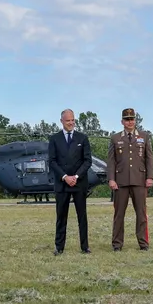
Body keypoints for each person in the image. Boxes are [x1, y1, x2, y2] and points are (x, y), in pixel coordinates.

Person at [107, 108, 153, 251]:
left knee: (141, 214)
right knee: (119, 214)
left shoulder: (144, 137)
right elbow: (111, 161)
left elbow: (149, 159)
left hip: (139, 180)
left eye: (132, 119)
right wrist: (111, 179)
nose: (130, 122)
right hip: (120, 182)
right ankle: (117, 244)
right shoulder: (115, 138)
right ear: (122, 121)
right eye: (127, 119)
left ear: (135, 120)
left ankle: (143, 243)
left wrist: (150, 177)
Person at [47, 108, 92, 255]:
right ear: (61, 121)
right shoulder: (54, 139)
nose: (71, 123)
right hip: (62, 184)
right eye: (68, 121)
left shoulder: (82, 138)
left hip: (79, 183)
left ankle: (85, 247)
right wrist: (65, 177)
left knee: (82, 216)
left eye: (73, 120)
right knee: (61, 216)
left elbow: (87, 161)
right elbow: (52, 162)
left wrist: (76, 177)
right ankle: (59, 247)